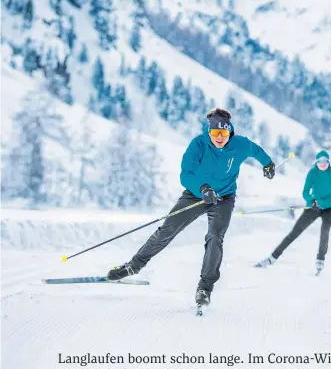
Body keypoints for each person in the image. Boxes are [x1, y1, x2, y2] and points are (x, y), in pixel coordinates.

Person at [107, 108, 275, 305]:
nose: (219, 138)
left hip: (224, 197)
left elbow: (256, 150)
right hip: (196, 194)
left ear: (230, 131)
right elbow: (185, 174)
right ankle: (133, 266)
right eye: (215, 133)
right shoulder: (198, 144)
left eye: (223, 133)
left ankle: (205, 288)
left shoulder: (240, 144)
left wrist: (268, 164)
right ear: (208, 131)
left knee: (215, 237)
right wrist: (203, 188)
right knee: (166, 231)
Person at [255, 150, 331, 274]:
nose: (323, 164)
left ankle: (320, 260)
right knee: (295, 232)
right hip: (314, 207)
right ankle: (273, 257)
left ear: (328, 162)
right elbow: (305, 191)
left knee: (325, 231)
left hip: (330, 208)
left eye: (325, 162)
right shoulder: (312, 173)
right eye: (320, 162)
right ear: (317, 163)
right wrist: (311, 201)